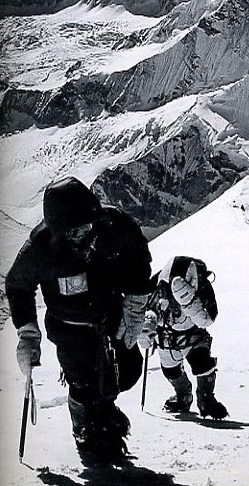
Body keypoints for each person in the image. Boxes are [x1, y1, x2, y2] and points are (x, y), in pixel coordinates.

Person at [6, 177, 152, 462]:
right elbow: (17, 285)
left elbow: (138, 256)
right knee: (82, 382)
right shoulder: (41, 247)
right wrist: (27, 333)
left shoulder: (113, 225)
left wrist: (135, 302)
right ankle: (85, 431)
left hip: (112, 314)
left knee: (129, 370)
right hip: (68, 327)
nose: (81, 235)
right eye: (71, 232)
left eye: (85, 226)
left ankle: (105, 408)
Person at [139, 255, 228, 420]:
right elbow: (146, 306)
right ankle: (183, 396)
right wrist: (147, 325)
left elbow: (208, 318)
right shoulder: (157, 284)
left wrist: (190, 303)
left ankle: (206, 399)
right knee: (170, 371)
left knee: (202, 363)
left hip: (191, 336)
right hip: (166, 337)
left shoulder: (201, 285)